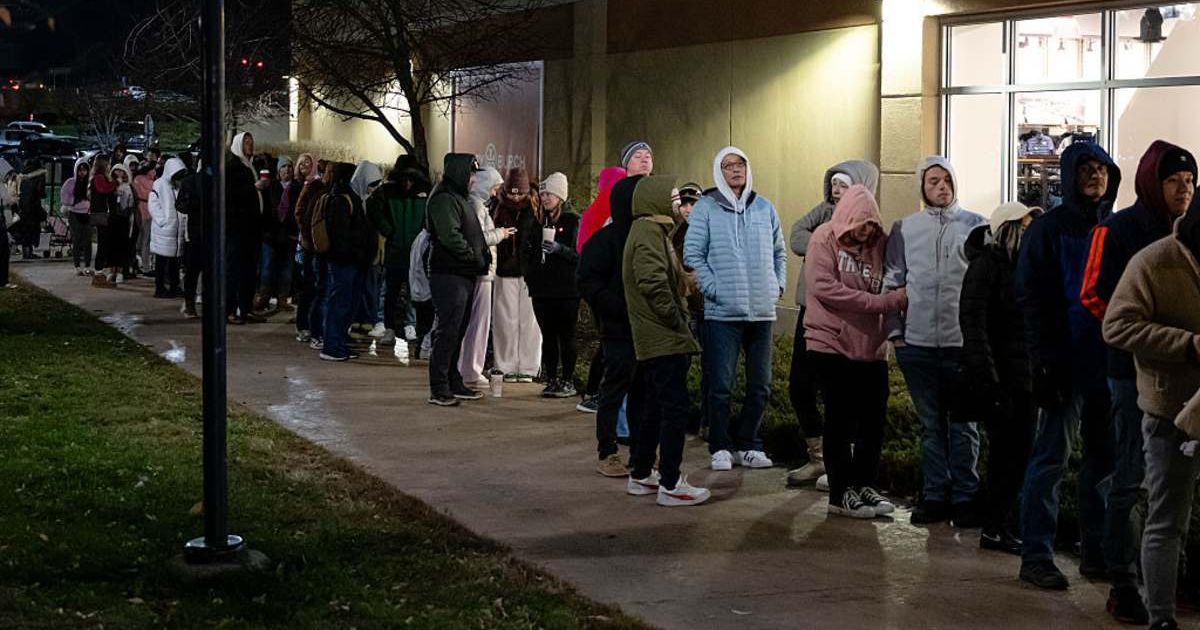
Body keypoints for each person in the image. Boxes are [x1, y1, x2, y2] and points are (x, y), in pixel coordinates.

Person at [1079, 140, 1194, 623]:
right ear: (1152, 180)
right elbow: (1096, 298)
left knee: (1174, 495)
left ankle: (1168, 580)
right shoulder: (1122, 230)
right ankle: (1122, 579)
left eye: (1189, 182)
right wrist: (1151, 343)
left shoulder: (1191, 233)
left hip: (1189, 383)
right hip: (1130, 377)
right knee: (1130, 478)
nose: (1182, 190)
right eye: (1172, 181)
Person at [1015, 141, 1121, 590]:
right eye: (1086, 170)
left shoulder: (1117, 228)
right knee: (1051, 459)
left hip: (1107, 363)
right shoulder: (1051, 229)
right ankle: (1036, 555)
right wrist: (1043, 361)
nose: (1095, 177)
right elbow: (1032, 298)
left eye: (1101, 169)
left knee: (1104, 461)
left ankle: (1095, 551)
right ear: (1071, 174)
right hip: (1064, 362)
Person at [1102, 194, 1200, 630]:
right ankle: (1161, 617)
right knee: (1166, 517)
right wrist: (1188, 345)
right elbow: (1117, 325)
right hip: (1170, 408)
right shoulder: (1155, 261)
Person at [883, 156, 988, 526]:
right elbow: (893, 280)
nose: (941, 187)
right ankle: (933, 495)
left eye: (946, 180)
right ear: (922, 188)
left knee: (963, 426)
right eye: (933, 181)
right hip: (918, 343)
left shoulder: (977, 226)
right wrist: (895, 333)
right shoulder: (904, 228)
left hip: (961, 344)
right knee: (930, 426)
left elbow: (986, 284)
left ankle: (965, 496)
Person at [804, 184, 906, 518]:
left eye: (872, 225)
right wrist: (880, 303)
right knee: (839, 419)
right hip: (830, 344)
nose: (866, 231)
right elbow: (823, 288)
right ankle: (840, 492)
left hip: (871, 349)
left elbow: (890, 280)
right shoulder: (824, 237)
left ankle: (865, 484)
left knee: (873, 422)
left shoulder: (879, 244)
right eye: (861, 224)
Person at [683, 146, 786, 472]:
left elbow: (779, 252)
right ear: (719, 172)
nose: (736, 170)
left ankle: (749, 443)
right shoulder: (706, 209)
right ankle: (721, 445)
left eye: (740, 164)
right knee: (721, 385)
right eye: (728, 166)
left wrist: (776, 286)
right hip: (722, 314)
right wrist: (714, 291)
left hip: (761, 313)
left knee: (761, 385)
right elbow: (692, 255)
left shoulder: (764, 207)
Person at [784, 160, 879, 489]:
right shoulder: (822, 214)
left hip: (847, 317)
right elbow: (796, 235)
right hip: (811, 311)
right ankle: (818, 457)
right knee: (799, 385)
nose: (836, 191)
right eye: (834, 184)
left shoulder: (869, 225)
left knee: (841, 395)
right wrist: (823, 241)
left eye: (844, 184)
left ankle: (841, 464)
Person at [959, 201, 1042, 553]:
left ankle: (1000, 523)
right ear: (1008, 230)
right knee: (1008, 456)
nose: (1029, 233)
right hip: (1002, 381)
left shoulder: (1026, 269)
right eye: (1024, 226)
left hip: (1025, 380)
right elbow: (974, 327)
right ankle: (995, 526)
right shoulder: (986, 267)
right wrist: (989, 381)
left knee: (1019, 455)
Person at [623, 174, 710, 507]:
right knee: (674, 409)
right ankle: (671, 483)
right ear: (655, 199)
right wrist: (678, 321)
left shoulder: (653, 232)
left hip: (657, 336)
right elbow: (653, 284)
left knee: (655, 407)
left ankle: (642, 473)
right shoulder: (647, 233)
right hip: (662, 337)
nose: (678, 203)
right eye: (672, 197)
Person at [579, 174, 646, 477]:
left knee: (644, 390)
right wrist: (614, 307)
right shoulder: (605, 240)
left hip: (647, 330)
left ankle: (641, 451)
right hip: (618, 328)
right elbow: (588, 280)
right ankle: (608, 451)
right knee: (615, 388)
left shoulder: (649, 237)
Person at [426, 154, 490, 405]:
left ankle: (452, 380)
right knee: (448, 329)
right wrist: (473, 256)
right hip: (449, 273)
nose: (474, 180)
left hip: (461, 273)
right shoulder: (444, 199)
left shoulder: (456, 197)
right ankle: (439, 387)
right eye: (471, 174)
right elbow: (450, 236)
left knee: (457, 329)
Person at [575, 166, 627, 414]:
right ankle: (595, 392)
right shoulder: (604, 213)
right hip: (608, 288)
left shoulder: (595, 212)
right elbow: (585, 250)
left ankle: (595, 392)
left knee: (608, 340)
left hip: (602, 287)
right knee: (609, 341)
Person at [525, 172, 581, 398]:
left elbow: (580, 254)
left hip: (567, 289)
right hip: (542, 288)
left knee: (566, 335)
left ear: (561, 195)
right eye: (543, 193)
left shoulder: (573, 221)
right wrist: (530, 275)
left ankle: (568, 380)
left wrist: (560, 250)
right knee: (547, 335)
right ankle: (551, 379)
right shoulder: (538, 221)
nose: (545, 197)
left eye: (550, 193)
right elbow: (527, 251)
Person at [458, 167, 511, 386]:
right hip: (482, 272)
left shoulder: (474, 204)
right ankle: (471, 369)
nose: (495, 192)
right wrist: (501, 233)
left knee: (475, 321)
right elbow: (478, 238)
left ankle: (467, 367)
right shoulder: (477, 206)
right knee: (478, 323)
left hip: (480, 272)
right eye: (494, 187)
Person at [371, 155, 431, 348]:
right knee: (392, 291)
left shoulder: (425, 194)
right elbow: (373, 211)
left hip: (416, 253)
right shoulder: (386, 192)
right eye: (404, 179)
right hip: (396, 251)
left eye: (410, 179)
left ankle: (410, 325)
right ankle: (390, 327)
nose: (407, 183)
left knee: (415, 292)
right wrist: (388, 230)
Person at [320, 162, 375, 362]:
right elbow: (342, 235)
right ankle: (332, 345)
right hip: (345, 262)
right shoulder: (343, 200)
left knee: (346, 303)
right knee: (340, 303)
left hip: (352, 261)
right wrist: (356, 254)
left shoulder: (353, 198)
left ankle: (338, 343)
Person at [491, 167, 542, 383]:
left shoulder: (536, 208)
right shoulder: (497, 208)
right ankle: (505, 365)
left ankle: (529, 367)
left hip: (529, 272)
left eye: (520, 193)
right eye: (512, 193)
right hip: (505, 271)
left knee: (530, 321)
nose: (516, 197)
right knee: (505, 320)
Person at [226, 131, 268, 324]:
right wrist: (254, 188)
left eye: (251, 141)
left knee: (250, 270)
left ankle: (246, 307)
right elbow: (231, 194)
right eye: (246, 142)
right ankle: (230, 310)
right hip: (238, 229)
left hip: (252, 228)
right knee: (235, 270)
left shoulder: (250, 165)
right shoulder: (233, 167)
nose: (250, 145)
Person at [258, 155, 300, 313]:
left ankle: (282, 299)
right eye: (283, 167)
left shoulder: (297, 187)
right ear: (278, 170)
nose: (287, 170)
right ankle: (264, 297)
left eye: (289, 167)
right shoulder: (272, 186)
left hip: (289, 235)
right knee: (268, 267)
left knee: (286, 268)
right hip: (271, 234)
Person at [347, 160, 384, 339]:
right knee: (357, 287)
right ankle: (356, 318)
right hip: (357, 251)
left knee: (370, 287)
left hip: (371, 251)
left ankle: (367, 318)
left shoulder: (374, 200)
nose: (374, 188)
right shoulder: (354, 200)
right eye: (372, 184)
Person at [294, 154, 328, 344]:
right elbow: (300, 213)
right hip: (308, 245)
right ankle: (304, 325)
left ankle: (308, 324)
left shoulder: (317, 186)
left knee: (312, 285)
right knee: (309, 285)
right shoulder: (311, 187)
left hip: (310, 244)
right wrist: (308, 235)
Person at [148, 157, 188, 299]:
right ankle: (160, 288)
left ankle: (174, 286)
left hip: (176, 230)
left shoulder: (178, 186)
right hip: (164, 230)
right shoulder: (159, 184)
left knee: (174, 262)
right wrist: (162, 221)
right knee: (161, 261)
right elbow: (153, 204)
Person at [175, 162, 208, 318]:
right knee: (193, 270)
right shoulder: (191, 181)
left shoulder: (220, 180)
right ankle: (189, 303)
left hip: (212, 231)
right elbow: (181, 205)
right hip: (196, 231)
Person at [62, 158, 92, 274]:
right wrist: (75, 200)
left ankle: (88, 266)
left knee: (88, 241)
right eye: (80, 170)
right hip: (74, 214)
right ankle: (77, 266)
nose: (82, 172)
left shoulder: (89, 183)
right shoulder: (70, 182)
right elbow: (64, 198)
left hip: (87, 214)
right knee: (77, 241)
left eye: (85, 170)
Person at [132, 160, 156, 276]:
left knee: (146, 239)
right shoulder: (138, 179)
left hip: (151, 211)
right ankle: (145, 265)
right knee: (144, 239)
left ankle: (146, 263)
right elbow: (143, 193)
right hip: (142, 210)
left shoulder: (152, 181)